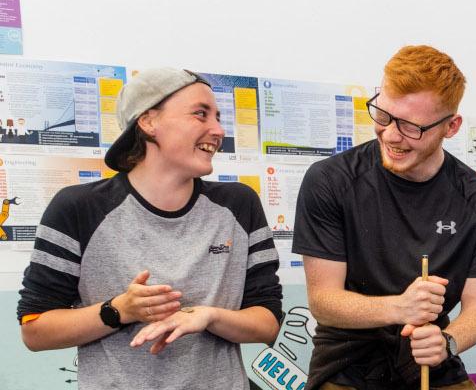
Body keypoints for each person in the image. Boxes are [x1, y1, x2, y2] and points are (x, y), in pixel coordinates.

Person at [17, 68, 283, 390]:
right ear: (148, 122)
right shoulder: (78, 207)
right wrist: (119, 311)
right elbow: (35, 330)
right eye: (201, 114)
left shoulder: (239, 205)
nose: (218, 130)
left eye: (218, 117)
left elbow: (267, 323)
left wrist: (209, 316)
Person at [292, 45, 476, 390]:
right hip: (347, 366)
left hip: (431, 364)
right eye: (383, 114)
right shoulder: (330, 181)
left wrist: (447, 343)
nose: (391, 135)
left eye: (411, 126)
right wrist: (400, 307)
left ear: (451, 127)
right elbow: (324, 303)